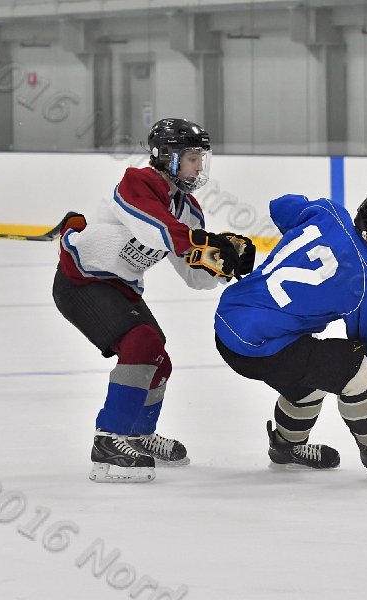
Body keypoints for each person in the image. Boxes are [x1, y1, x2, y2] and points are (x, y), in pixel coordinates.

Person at [52, 117, 255, 483]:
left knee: (158, 359)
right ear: (167, 158)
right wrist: (201, 242)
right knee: (142, 344)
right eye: (192, 158)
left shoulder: (188, 210)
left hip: (122, 287)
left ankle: (137, 435)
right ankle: (108, 441)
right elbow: (155, 228)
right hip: (81, 281)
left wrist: (222, 266)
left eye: (200, 159)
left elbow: (192, 273)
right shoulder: (137, 183)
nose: (199, 166)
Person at [215, 189, 367, 481]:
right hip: (261, 346)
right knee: (355, 369)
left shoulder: (327, 212)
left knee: (309, 378)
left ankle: (287, 447)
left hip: (229, 320)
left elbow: (281, 206)